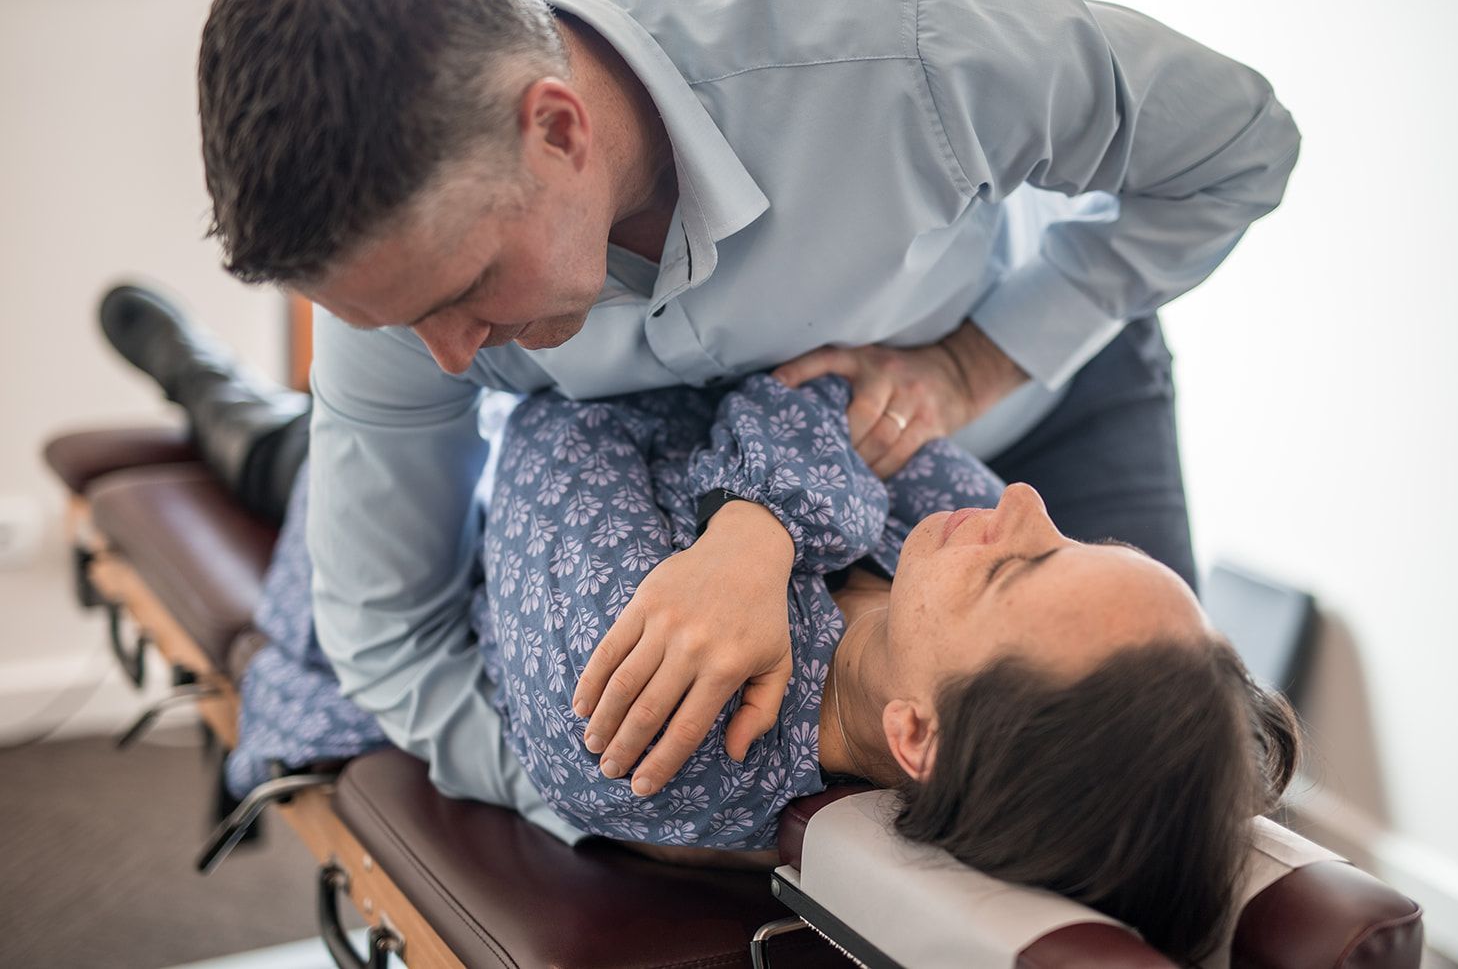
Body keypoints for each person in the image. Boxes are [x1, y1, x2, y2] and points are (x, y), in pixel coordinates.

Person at [196, 0, 1301, 844]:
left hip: (1019, 388)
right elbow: (390, 639)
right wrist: (626, 794)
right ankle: (240, 418)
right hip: (677, 490)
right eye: (400, 324)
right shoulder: (402, 272)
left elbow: (1238, 144)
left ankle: (244, 422)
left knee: (1180, 808)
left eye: (467, 289)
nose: (454, 359)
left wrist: (974, 362)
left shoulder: (915, 41)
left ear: (559, 129)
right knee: (343, 495)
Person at [103, 284, 1300, 966]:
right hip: (578, 456)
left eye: (1018, 566)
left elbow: (557, 423)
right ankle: (220, 389)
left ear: (917, 737)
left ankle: (206, 387)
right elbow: (829, 384)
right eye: (1064, 535)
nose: (1018, 499)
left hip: (437, 522)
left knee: (282, 454)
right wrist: (751, 534)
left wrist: (767, 503)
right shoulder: (962, 564)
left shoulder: (646, 715)